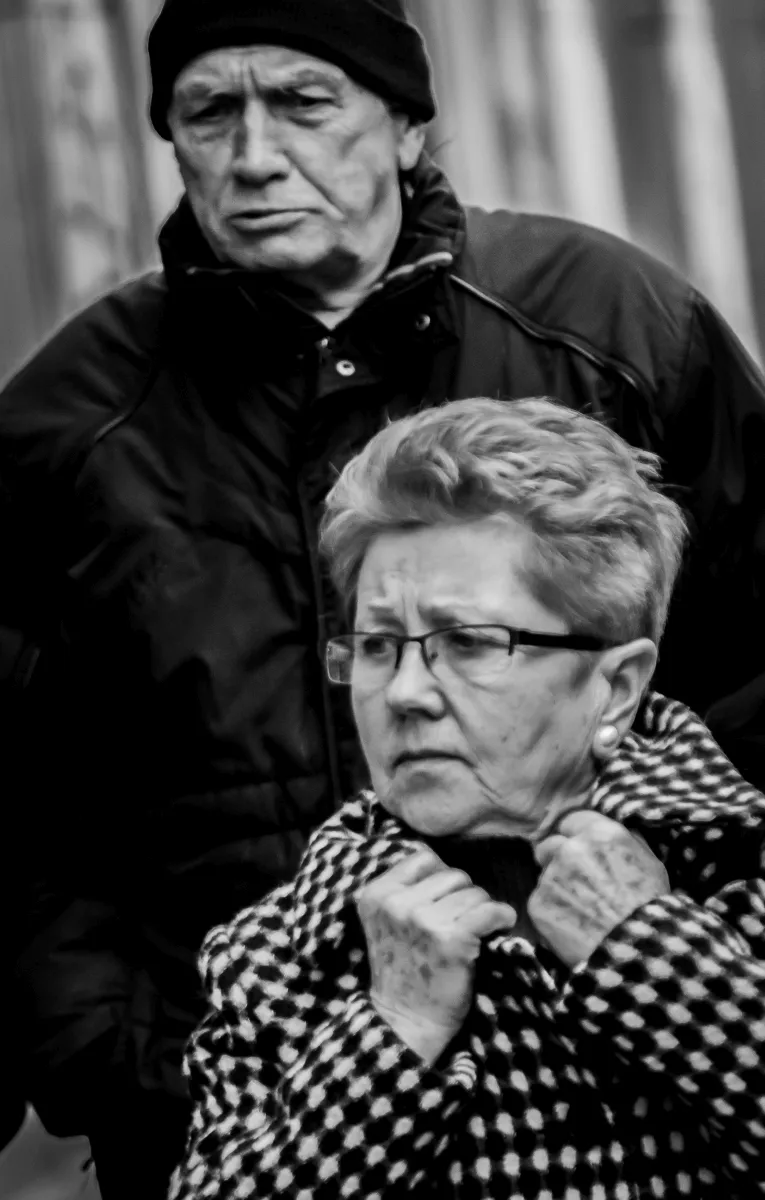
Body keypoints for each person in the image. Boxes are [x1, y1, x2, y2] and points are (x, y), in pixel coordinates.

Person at [2, 0, 765, 1195]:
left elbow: (752, 666)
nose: (255, 155)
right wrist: (127, 1064)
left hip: (619, 1066)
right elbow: (23, 798)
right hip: (227, 1090)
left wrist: (666, 942)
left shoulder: (615, 329)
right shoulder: (68, 425)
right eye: (210, 113)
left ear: (408, 125)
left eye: (306, 103)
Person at [169, 396, 765, 1199]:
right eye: (378, 646)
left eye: (469, 642)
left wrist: (657, 958)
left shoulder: (739, 876)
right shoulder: (281, 952)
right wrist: (391, 1035)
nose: (404, 691)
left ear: (616, 684)